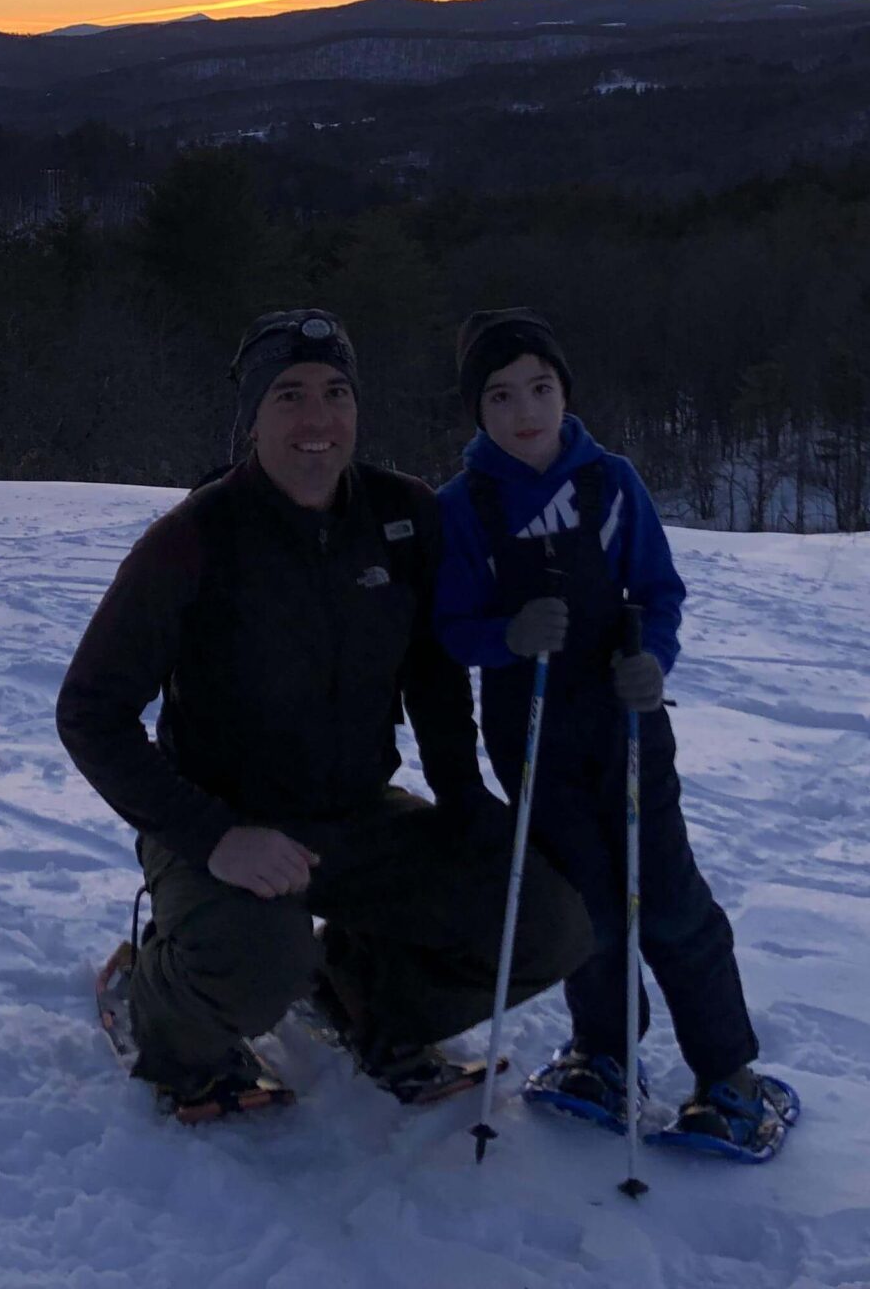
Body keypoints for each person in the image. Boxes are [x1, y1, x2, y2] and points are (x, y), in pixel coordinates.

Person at [57, 307, 593, 1116]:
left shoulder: (402, 517)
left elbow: (436, 677)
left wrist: (462, 802)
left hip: (357, 816)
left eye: (336, 392)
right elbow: (90, 712)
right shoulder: (195, 537)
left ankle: (362, 997)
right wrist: (215, 838)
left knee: (545, 916)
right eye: (290, 396)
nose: (318, 419)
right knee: (259, 955)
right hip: (222, 828)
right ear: (252, 419)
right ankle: (161, 1004)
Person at [434, 308, 794, 1156]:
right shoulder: (467, 505)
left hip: (626, 725)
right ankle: (601, 1052)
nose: (524, 411)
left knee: (666, 897)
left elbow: (660, 593)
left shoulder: (609, 483)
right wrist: (506, 638)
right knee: (583, 905)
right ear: (476, 410)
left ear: (565, 393)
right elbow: (450, 624)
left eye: (540, 388)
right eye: (500, 395)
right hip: (528, 731)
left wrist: (653, 663)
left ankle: (727, 1072)